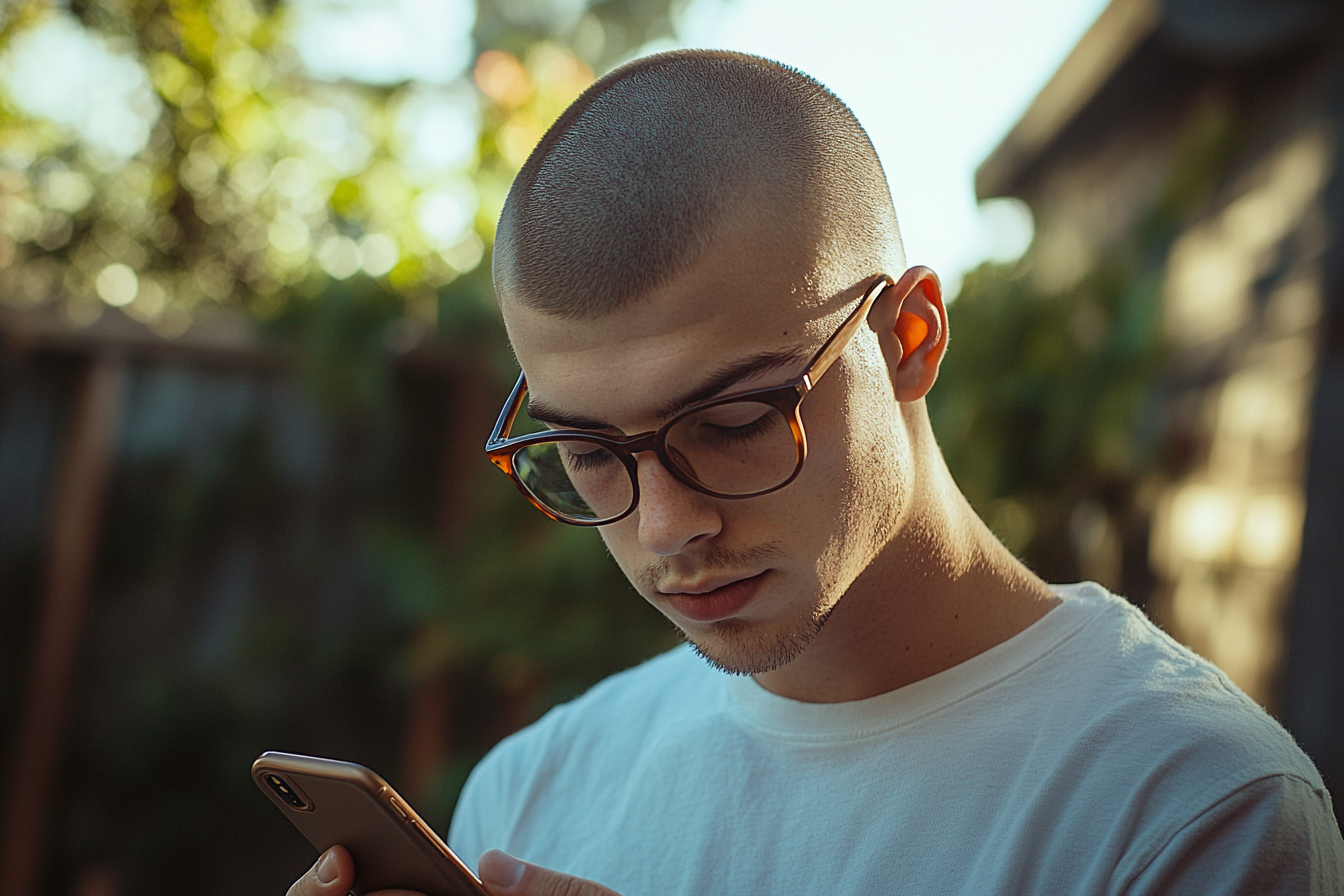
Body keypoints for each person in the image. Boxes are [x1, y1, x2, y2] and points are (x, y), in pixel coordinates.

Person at [289, 49, 1344, 896]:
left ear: (912, 336)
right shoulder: (529, 793)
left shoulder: (1188, 807)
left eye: (735, 418)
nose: (665, 527)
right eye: (587, 453)